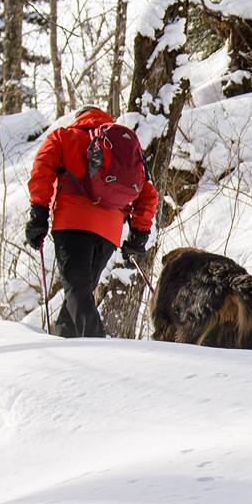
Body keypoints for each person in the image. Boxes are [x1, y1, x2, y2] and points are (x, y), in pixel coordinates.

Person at [24, 106, 156, 338]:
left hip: (72, 224)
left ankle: (99, 347)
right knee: (79, 293)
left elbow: (41, 174)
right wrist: (138, 236)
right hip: (108, 233)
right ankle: (67, 345)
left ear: (79, 118)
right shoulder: (122, 147)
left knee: (77, 291)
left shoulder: (64, 136)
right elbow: (148, 194)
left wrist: (38, 215)